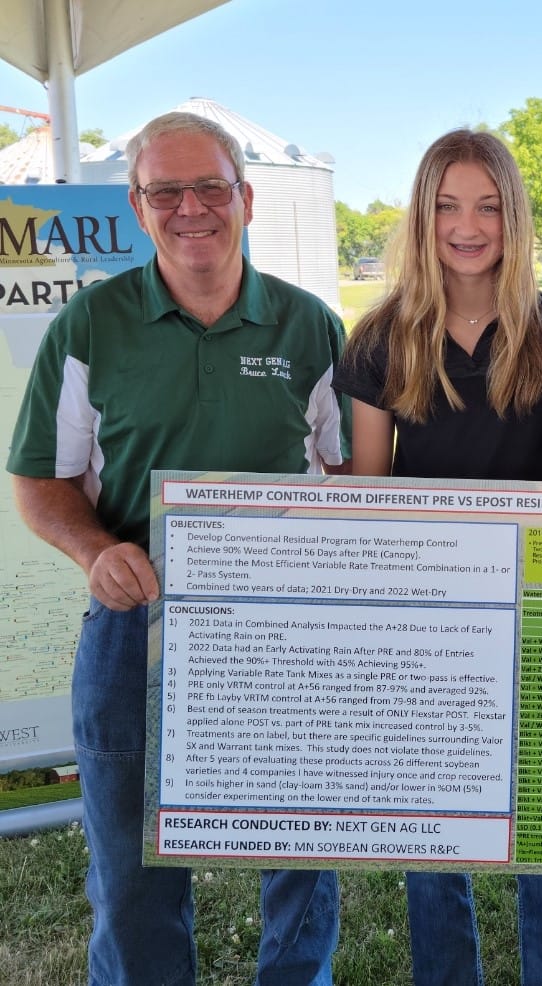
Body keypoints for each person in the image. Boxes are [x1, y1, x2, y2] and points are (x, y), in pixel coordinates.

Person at [7, 112, 347, 985]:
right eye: (166, 191)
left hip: (285, 638)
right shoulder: (92, 324)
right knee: (131, 871)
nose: (191, 207)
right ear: (137, 205)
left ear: (247, 198)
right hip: (135, 626)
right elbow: (43, 484)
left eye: (211, 187)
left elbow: (346, 481)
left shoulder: (312, 327)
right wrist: (95, 553)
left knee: (302, 853)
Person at [332, 128, 542, 986]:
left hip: (535, 606)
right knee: (432, 833)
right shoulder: (381, 336)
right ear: (422, 214)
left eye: (487, 205)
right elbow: (368, 492)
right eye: (448, 204)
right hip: (423, 616)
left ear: (512, 217)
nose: (467, 224)